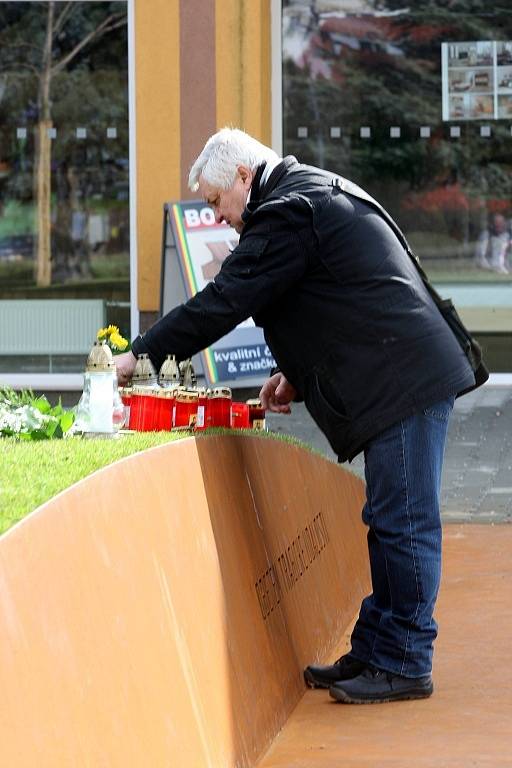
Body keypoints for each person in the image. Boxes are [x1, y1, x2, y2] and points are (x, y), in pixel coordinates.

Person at [115, 128, 482, 704]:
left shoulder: (288, 210)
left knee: (403, 522)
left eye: (216, 202)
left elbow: (223, 302)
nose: (217, 218)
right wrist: (295, 372)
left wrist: (138, 357)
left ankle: (405, 660)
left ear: (243, 177)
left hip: (404, 379)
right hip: (400, 370)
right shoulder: (307, 195)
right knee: (387, 517)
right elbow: (337, 290)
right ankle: (377, 650)